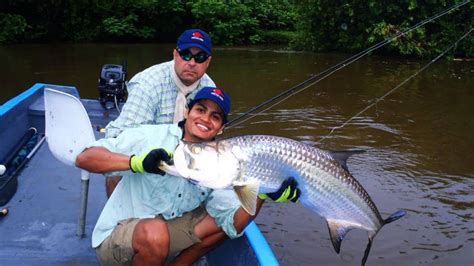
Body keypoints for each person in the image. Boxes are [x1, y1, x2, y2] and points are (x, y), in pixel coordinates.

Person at [75, 87, 300, 265]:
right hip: (116, 240)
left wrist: (264, 193)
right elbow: (84, 158)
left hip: (164, 232)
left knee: (222, 225)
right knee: (155, 233)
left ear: (221, 128)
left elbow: (234, 224)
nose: (205, 119)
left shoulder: (220, 161)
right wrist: (136, 163)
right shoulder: (150, 135)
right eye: (200, 109)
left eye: (215, 116)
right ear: (187, 112)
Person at [104, 28, 215, 197]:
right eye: (186, 54)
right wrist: (141, 161)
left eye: (200, 58)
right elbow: (119, 138)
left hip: (184, 156)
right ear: (175, 55)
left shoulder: (210, 89)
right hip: (145, 154)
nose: (192, 62)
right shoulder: (148, 84)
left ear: (207, 62)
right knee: (118, 166)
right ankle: (120, 219)